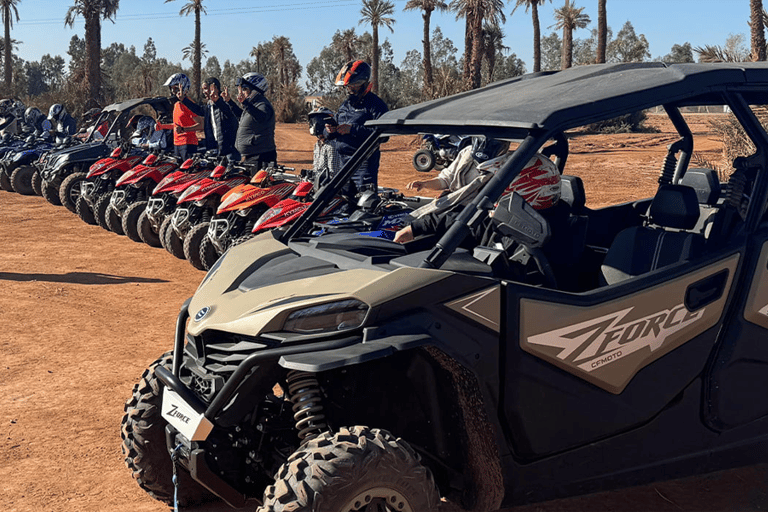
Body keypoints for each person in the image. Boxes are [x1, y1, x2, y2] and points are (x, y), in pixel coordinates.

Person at [393, 152, 562, 245]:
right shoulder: (520, 222)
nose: (498, 195)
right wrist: (417, 228)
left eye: (503, 190)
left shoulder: (531, 238)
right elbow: (475, 224)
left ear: (528, 191)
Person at [325, 60, 388, 191]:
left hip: (363, 163)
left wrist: (352, 129)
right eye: (348, 86)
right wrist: (330, 131)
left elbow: (383, 135)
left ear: (364, 83)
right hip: (343, 163)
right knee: (343, 204)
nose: (350, 90)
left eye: (354, 85)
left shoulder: (376, 105)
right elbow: (330, 133)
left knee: (364, 202)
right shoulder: (345, 105)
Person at [230, 72, 276, 173]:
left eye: (245, 89)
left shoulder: (263, 104)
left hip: (261, 157)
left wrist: (245, 103)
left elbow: (261, 117)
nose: (242, 92)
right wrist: (229, 102)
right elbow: (243, 118)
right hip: (251, 157)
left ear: (255, 90)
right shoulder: (252, 105)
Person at [187, 76, 240, 161]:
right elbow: (199, 110)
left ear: (214, 89)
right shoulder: (209, 105)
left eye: (205, 89)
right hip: (214, 149)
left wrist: (218, 101)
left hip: (229, 152)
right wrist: (184, 100)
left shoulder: (225, 103)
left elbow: (229, 113)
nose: (204, 92)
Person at [156, 73, 203, 162]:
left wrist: (183, 129)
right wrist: (162, 126)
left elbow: (201, 125)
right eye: (171, 88)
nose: (173, 91)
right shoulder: (177, 105)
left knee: (187, 173)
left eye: (175, 88)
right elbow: (176, 125)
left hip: (188, 144)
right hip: (177, 144)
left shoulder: (189, 104)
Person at [307, 107, 341, 183]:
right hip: (318, 183)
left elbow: (333, 174)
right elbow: (316, 168)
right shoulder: (318, 144)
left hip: (327, 187)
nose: (314, 124)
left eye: (317, 121)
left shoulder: (332, 145)